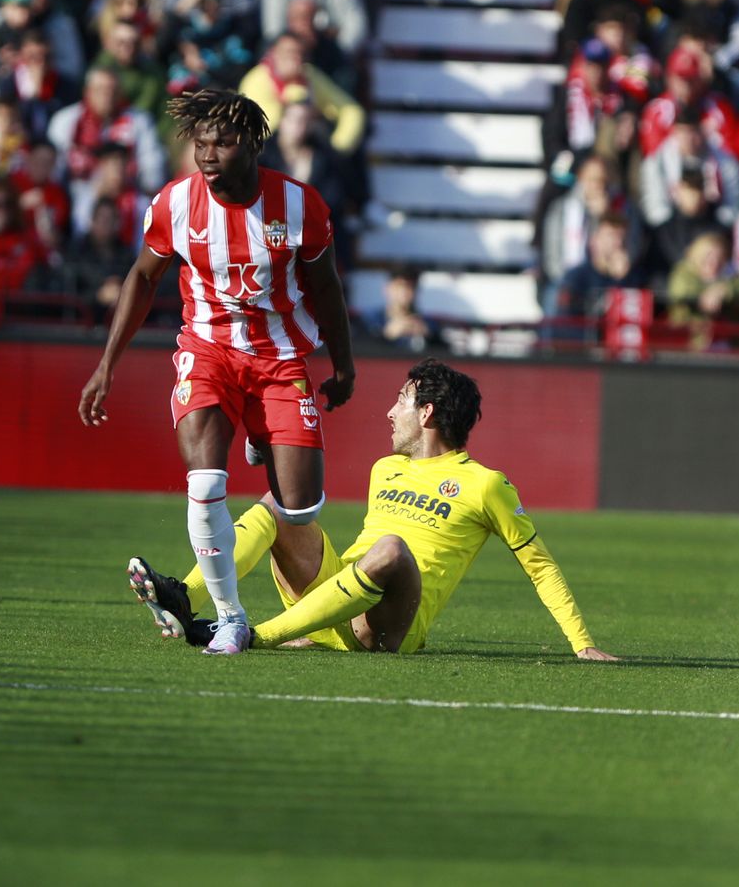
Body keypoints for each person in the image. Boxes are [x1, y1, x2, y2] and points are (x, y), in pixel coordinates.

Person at [78, 88, 355, 656]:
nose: (208, 154)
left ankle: (261, 433)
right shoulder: (174, 204)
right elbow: (143, 277)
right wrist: (107, 365)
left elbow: (326, 286)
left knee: (302, 508)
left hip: (279, 361)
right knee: (205, 483)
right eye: (201, 142)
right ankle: (230, 616)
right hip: (207, 351)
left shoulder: (300, 206)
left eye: (222, 142)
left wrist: (343, 362)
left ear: (252, 143)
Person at [130, 360, 618, 661]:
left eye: (401, 400)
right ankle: (185, 595)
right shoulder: (385, 468)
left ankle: (253, 635)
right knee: (279, 505)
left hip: (387, 628)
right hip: (335, 599)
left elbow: (540, 566)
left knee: (391, 549)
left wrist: (581, 642)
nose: (390, 412)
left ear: (427, 413)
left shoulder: (486, 484)